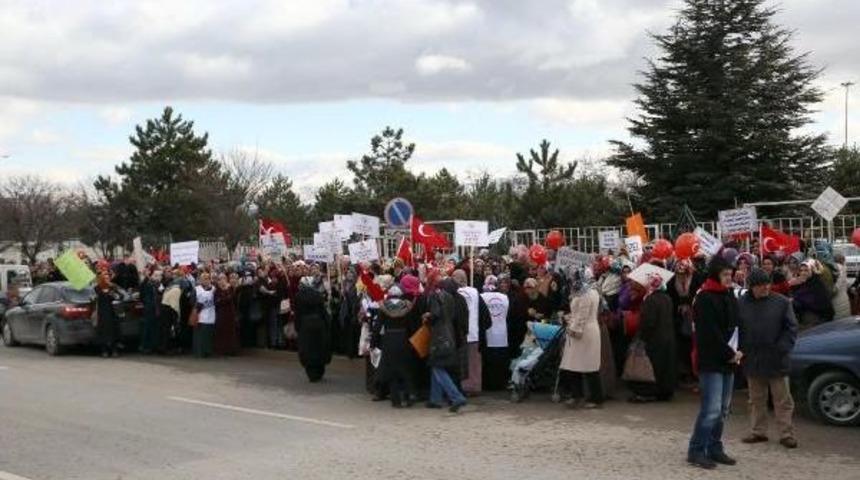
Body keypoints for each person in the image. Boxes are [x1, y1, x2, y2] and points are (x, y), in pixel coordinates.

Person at [687, 257, 741, 470]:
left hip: (729, 359)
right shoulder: (704, 297)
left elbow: (736, 325)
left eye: (731, 274)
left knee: (723, 409)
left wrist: (739, 349)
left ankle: (714, 447)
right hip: (711, 360)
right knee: (711, 409)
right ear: (715, 275)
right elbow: (708, 332)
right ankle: (696, 450)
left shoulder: (729, 294)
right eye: (726, 274)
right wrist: (729, 352)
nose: (730, 278)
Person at [738, 268, 799, 449]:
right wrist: (740, 349)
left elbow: (791, 328)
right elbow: (736, 327)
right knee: (756, 399)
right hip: (752, 358)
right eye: (761, 285)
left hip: (776, 359)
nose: (765, 288)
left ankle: (786, 434)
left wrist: (782, 348)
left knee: (782, 400)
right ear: (752, 287)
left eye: (767, 284)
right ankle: (758, 432)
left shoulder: (781, 302)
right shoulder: (741, 303)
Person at [558, 268, 603, 409]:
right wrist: (569, 318)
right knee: (575, 365)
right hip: (585, 330)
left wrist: (573, 329)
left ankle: (594, 398)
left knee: (588, 366)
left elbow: (583, 315)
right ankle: (577, 395)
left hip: (584, 332)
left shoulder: (586, 293)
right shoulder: (588, 291)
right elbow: (578, 313)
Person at [630, 273, 677, 402]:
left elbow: (648, 322)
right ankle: (665, 391)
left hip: (655, 338)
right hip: (667, 336)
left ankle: (651, 392)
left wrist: (642, 337)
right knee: (666, 366)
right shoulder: (667, 298)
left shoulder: (650, 300)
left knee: (653, 367)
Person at [425, 281, 468, 413]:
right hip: (449, 334)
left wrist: (427, 316)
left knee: (437, 366)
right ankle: (435, 398)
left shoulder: (435, 296)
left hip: (439, 335)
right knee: (437, 366)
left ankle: (456, 397)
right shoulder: (451, 298)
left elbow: (435, 314)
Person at [376, 285, 418, 407]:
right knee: (405, 369)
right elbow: (412, 325)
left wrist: (374, 342)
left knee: (392, 371)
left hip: (389, 339)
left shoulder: (384, 307)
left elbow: (378, 326)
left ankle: (396, 400)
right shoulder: (407, 307)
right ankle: (410, 394)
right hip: (403, 339)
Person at [294, 276, 332, 382]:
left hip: (305, 325)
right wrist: (327, 324)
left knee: (308, 349)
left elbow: (298, 313)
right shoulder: (318, 295)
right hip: (319, 324)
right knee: (319, 348)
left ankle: (311, 373)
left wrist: (297, 327)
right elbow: (323, 311)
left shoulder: (298, 296)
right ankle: (319, 371)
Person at [480, 275, 511, 391]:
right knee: (499, 363)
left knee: (489, 362)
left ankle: (488, 384)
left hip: (489, 333)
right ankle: (499, 383)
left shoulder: (482, 297)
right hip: (502, 333)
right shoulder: (505, 297)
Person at [790, 260, 834, 330]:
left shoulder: (817, 284)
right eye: (801, 270)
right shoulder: (803, 282)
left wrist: (795, 300)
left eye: (806, 270)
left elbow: (811, 302)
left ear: (812, 271)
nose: (803, 273)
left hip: (816, 320)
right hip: (806, 318)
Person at [95, 271, 121, 358]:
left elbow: (120, 296)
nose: (107, 279)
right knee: (104, 331)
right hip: (103, 312)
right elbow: (96, 297)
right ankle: (104, 350)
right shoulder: (97, 287)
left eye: (108, 277)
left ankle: (114, 349)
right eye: (105, 278)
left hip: (112, 311)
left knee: (113, 331)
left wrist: (114, 294)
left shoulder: (113, 286)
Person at [214, 273, 240, 356]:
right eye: (220, 279)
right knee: (221, 331)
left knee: (231, 332)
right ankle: (222, 350)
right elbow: (217, 301)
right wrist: (226, 298)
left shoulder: (230, 289)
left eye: (224, 279)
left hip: (230, 313)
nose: (222, 281)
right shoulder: (217, 290)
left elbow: (233, 298)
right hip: (221, 313)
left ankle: (231, 350)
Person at [192, 272, 216, 358]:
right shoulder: (196, 289)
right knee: (199, 336)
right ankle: (199, 352)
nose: (206, 280)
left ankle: (208, 351)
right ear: (200, 280)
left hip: (211, 315)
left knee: (208, 335)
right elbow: (191, 301)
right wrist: (197, 305)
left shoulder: (214, 289)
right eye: (204, 279)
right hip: (200, 315)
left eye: (207, 278)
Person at [138, 268, 161, 354]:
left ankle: (153, 345)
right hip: (149, 308)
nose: (157, 277)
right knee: (147, 328)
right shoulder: (146, 283)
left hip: (156, 308)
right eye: (155, 275)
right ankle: (144, 346)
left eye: (158, 275)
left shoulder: (157, 284)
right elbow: (142, 294)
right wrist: (146, 303)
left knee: (154, 328)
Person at [831, 253, 851, 320]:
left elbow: (835, 289)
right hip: (844, 299)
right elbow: (845, 283)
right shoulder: (843, 269)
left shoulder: (835, 270)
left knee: (838, 323)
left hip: (837, 301)